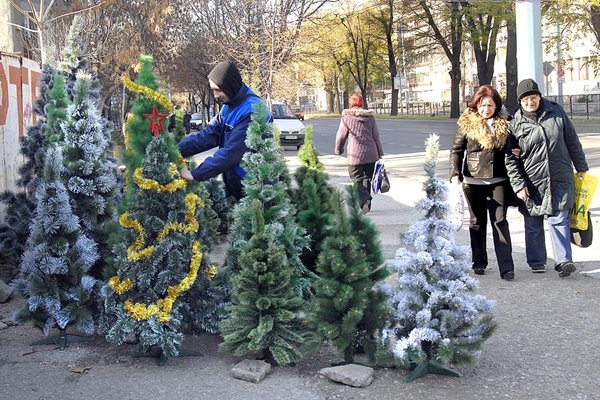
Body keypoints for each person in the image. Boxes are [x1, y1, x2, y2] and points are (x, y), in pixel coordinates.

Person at [505, 78, 589, 278]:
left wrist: (581, 166)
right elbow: (510, 159)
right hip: (532, 180)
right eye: (525, 100)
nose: (530, 103)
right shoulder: (515, 123)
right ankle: (537, 261)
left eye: (533, 98)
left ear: (539, 96)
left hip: (559, 175)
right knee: (533, 222)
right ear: (520, 101)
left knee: (560, 218)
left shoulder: (556, 111)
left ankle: (563, 261)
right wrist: (518, 185)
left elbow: (572, 140)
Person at [449, 85, 516, 281]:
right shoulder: (466, 123)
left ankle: (507, 267)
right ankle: (479, 262)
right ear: (476, 105)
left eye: (490, 105)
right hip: (473, 180)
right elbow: (456, 150)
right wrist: (455, 173)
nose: (486, 109)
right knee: (477, 222)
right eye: (483, 105)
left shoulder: (505, 122)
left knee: (500, 221)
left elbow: (514, 146)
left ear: (496, 105)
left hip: (499, 179)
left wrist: (516, 151)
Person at [178, 60, 269, 200]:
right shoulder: (228, 106)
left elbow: (231, 153)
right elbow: (209, 135)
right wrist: (176, 150)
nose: (215, 96)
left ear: (230, 86)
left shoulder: (252, 110)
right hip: (235, 184)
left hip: (254, 189)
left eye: (218, 90)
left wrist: (195, 174)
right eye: (213, 90)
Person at [334, 92, 384, 214]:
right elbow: (376, 136)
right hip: (371, 153)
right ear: (362, 103)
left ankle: (365, 200)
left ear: (351, 104)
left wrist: (338, 149)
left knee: (356, 179)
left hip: (355, 155)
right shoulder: (370, 117)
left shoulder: (347, 117)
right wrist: (380, 152)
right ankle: (366, 204)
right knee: (367, 178)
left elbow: (341, 136)